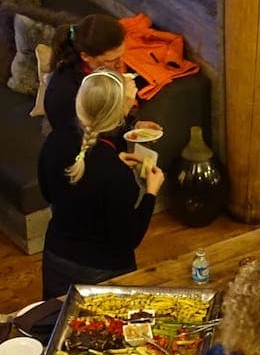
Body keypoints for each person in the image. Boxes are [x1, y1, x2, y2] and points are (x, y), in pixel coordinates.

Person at [38, 72, 167, 298]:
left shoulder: (53, 141)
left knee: (54, 324)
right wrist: (151, 193)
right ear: (119, 117)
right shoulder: (116, 174)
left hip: (56, 257)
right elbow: (128, 238)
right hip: (103, 271)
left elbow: (48, 194)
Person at [45, 14, 132, 136]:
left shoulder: (102, 69)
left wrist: (134, 125)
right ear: (85, 56)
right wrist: (124, 108)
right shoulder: (65, 95)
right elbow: (87, 141)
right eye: (111, 60)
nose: (120, 65)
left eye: (121, 56)